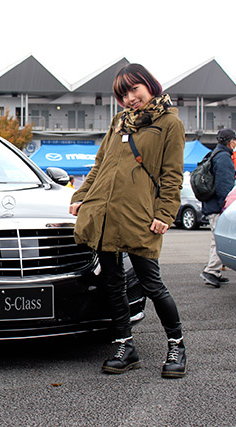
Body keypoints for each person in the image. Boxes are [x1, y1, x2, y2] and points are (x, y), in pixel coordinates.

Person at [69, 64, 187, 378]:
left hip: (140, 217)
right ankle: (125, 345)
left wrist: (165, 213)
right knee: (113, 282)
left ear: (150, 85)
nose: (130, 98)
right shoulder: (119, 121)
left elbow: (172, 175)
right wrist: (81, 195)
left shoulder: (170, 123)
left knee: (152, 284)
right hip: (105, 214)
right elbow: (100, 165)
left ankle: (176, 345)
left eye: (135, 89)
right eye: (123, 94)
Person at [199, 129, 236, 288]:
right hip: (218, 206)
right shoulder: (223, 157)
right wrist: (226, 206)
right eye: (235, 140)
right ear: (230, 142)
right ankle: (211, 271)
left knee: (216, 239)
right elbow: (224, 185)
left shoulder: (214, 154)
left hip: (211, 204)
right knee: (219, 240)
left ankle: (215, 271)